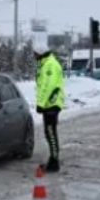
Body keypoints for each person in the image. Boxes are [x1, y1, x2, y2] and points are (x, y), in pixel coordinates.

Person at [34, 42, 66, 172]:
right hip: (50, 103)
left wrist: (40, 103)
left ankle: (54, 162)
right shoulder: (47, 63)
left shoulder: (49, 65)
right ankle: (53, 159)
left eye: (35, 54)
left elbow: (48, 86)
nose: (34, 56)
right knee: (49, 132)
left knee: (51, 133)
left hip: (51, 104)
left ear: (40, 54)